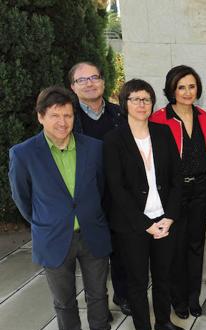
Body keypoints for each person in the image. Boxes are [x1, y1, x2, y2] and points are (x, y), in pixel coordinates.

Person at [9, 86, 125, 330]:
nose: (63, 122)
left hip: (92, 233)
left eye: (68, 115)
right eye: (55, 115)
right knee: (63, 298)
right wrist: (45, 221)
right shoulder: (24, 154)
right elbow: (22, 198)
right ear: (40, 117)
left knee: (98, 291)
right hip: (53, 237)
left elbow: (101, 189)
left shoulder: (93, 148)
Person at [104, 79, 187, 330]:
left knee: (163, 275)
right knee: (138, 282)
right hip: (133, 226)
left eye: (147, 99)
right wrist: (145, 224)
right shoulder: (113, 139)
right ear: (124, 103)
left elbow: (177, 179)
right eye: (136, 99)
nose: (142, 104)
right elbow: (116, 189)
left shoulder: (163, 133)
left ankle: (163, 321)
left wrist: (170, 217)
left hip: (164, 220)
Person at [68, 61, 130, 316]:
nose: (90, 83)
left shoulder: (120, 114)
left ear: (104, 82)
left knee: (121, 249)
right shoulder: (68, 118)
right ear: (73, 87)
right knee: (94, 253)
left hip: (117, 193)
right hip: (86, 195)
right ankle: (98, 304)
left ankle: (123, 295)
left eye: (94, 77)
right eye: (82, 80)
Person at [150, 65, 206, 319]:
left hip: (200, 190)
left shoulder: (204, 117)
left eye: (192, 86)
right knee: (175, 246)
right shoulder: (159, 118)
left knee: (196, 245)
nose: (187, 92)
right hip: (173, 192)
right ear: (172, 89)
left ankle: (192, 297)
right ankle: (178, 299)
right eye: (181, 87)